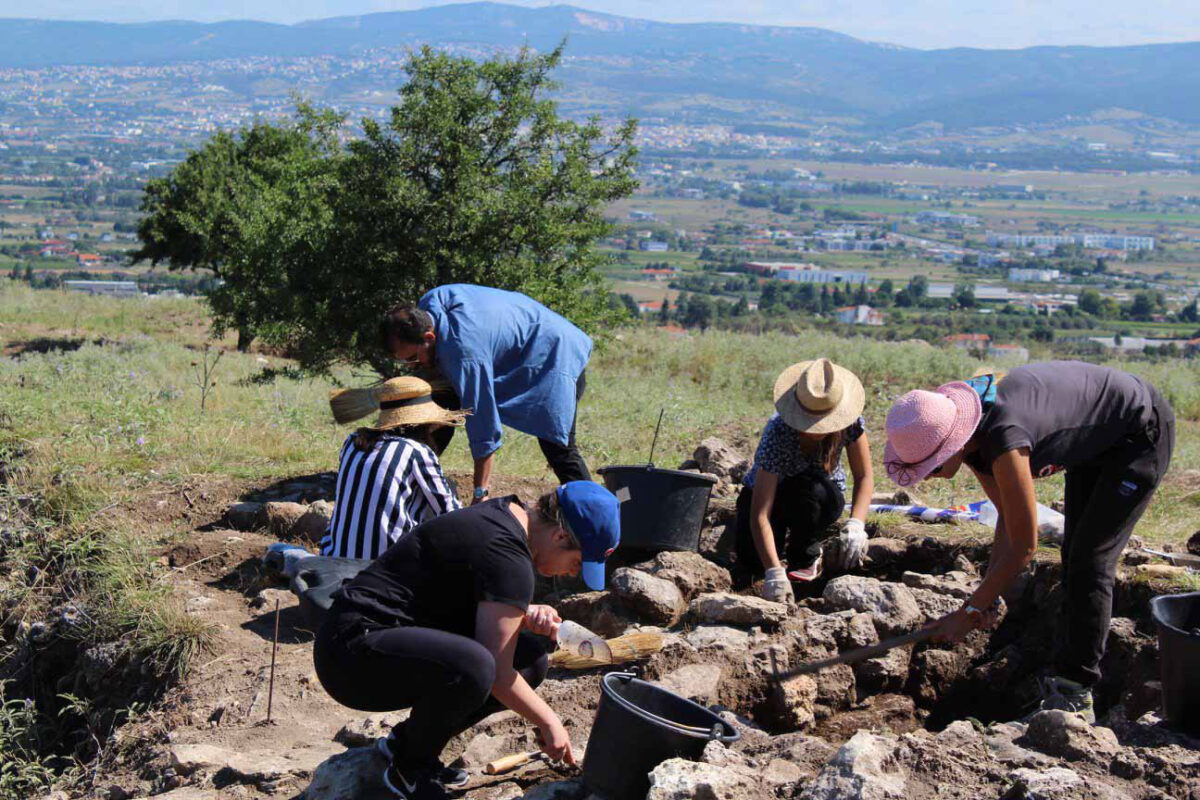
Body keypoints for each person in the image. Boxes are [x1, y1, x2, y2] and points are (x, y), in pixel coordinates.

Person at [883, 362, 1174, 723]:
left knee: (1090, 560)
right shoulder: (971, 433)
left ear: (951, 443)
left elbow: (1025, 545)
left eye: (933, 466)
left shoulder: (1003, 437)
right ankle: (1068, 674)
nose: (930, 476)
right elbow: (1007, 515)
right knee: (1074, 553)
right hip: (1096, 444)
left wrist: (970, 611)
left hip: (1138, 431)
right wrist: (985, 599)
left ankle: (1075, 694)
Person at [313, 481, 620, 800]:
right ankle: (410, 771)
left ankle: (405, 747)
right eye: (576, 563)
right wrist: (549, 721)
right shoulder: (509, 558)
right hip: (351, 655)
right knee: (476, 668)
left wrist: (520, 611)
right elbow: (499, 676)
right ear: (559, 536)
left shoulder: (506, 516)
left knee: (529, 660)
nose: (572, 574)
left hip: (362, 638)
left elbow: (463, 588)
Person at [381, 284, 592, 503]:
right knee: (435, 410)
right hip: (525, 340)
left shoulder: (464, 356)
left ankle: (593, 514)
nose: (412, 366)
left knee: (558, 448)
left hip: (555, 355)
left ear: (429, 337)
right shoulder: (431, 305)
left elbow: (483, 427)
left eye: (412, 358)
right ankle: (406, 477)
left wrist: (480, 493)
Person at [735, 358, 875, 603]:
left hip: (816, 495)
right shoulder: (778, 432)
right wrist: (773, 571)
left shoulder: (850, 422)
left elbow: (863, 476)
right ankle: (777, 558)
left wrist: (856, 524)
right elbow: (760, 513)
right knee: (752, 562)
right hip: (771, 495)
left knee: (808, 493)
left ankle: (807, 555)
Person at [321, 377, 465, 560]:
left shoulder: (352, 442)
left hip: (334, 556)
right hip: (387, 567)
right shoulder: (417, 452)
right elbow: (452, 514)